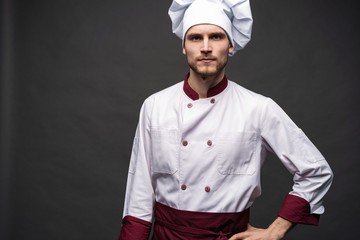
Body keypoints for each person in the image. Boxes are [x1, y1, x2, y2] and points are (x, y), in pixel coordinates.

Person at [118, 0, 333, 239]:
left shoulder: (258, 108)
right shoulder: (155, 106)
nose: (206, 47)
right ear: (184, 46)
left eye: (217, 37)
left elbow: (316, 171)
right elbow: (139, 198)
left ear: (230, 45)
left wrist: (275, 232)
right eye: (196, 38)